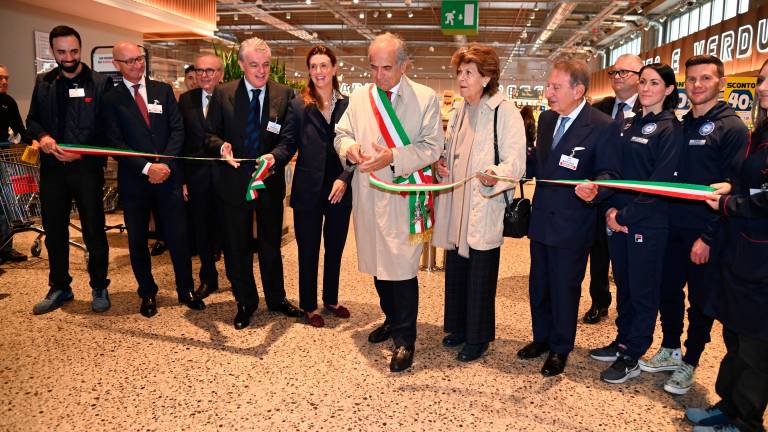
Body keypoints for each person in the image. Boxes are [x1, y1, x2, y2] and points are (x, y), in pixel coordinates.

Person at [334, 32, 442, 372]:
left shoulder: (425, 98)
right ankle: (391, 319)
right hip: (369, 194)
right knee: (379, 264)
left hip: (405, 195)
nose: (379, 76)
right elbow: (343, 133)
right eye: (373, 68)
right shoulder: (360, 97)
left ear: (404, 65)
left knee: (402, 268)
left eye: (386, 68)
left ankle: (405, 339)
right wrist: (349, 149)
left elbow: (431, 147)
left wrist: (392, 157)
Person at [644, 55, 748, 395]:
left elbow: (734, 187)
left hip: (705, 233)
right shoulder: (681, 123)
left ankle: (690, 360)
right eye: (691, 80)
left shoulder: (731, 128)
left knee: (700, 302)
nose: (697, 85)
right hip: (671, 226)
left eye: (705, 78)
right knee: (667, 290)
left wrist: (708, 237)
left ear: (720, 82)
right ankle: (671, 348)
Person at [578, 63, 683, 384]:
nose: (647, 88)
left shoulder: (670, 129)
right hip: (617, 220)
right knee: (623, 286)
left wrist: (625, 216)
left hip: (645, 224)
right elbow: (616, 171)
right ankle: (622, 339)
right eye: (643, 82)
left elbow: (660, 184)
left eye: (654, 83)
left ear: (668, 90)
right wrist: (608, 207)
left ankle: (633, 353)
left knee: (642, 290)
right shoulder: (629, 124)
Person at [516, 59, 617, 377]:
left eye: (555, 87)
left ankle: (561, 348)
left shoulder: (601, 125)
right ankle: (541, 338)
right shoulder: (546, 120)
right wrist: (508, 169)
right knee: (539, 286)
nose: (548, 92)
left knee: (564, 287)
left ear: (578, 90)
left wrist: (596, 191)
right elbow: (539, 165)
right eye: (548, 85)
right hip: (542, 219)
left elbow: (609, 173)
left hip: (574, 223)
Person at [685, 58, 768, 432]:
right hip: (743, 250)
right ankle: (728, 405)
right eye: (763, 80)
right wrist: (732, 188)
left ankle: (745, 420)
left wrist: (729, 203)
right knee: (734, 333)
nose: (762, 88)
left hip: (762, 257)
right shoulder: (761, 130)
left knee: (756, 345)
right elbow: (750, 181)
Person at [432, 43, 526, 362]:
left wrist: (495, 173)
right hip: (457, 205)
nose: (461, 78)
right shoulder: (460, 109)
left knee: (480, 275)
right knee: (457, 269)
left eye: (469, 73)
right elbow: (451, 150)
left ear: (486, 78)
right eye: (459, 72)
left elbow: (515, 162)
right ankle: (458, 328)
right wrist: (441, 163)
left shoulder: (504, 110)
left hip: (483, 205)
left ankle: (478, 337)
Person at [103, 41, 205, 318]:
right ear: (116, 65)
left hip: (169, 177)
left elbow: (177, 130)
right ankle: (147, 292)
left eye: (139, 59)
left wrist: (164, 164)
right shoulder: (111, 99)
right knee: (137, 240)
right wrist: (148, 168)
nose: (137, 65)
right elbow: (115, 144)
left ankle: (186, 289)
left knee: (178, 236)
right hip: (135, 182)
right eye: (130, 61)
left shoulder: (162, 91)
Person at [206, 37, 302, 330]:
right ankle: (245, 302)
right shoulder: (223, 94)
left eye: (265, 65)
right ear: (242, 65)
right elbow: (209, 134)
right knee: (237, 246)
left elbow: (289, 139)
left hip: (269, 182)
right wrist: (221, 147)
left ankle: (276, 299)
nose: (261, 71)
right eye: (254, 65)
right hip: (233, 184)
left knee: (271, 245)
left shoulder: (285, 95)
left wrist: (274, 158)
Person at [24, 26, 112, 314]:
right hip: (52, 171)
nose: (69, 57)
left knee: (93, 230)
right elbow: (32, 121)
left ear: (80, 49)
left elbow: (109, 131)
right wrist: (44, 138)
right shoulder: (44, 82)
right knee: (55, 231)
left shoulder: (100, 83)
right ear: (53, 51)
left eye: (74, 51)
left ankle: (99, 285)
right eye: (62, 52)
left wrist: (82, 152)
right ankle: (60, 286)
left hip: (86, 169)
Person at [266, 45, 352, 328]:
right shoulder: (299, 104)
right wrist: (273, 158)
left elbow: (355, 149)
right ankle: (308, 305)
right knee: (309, 248)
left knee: (336, 246)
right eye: (313, 66)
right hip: (307, 190)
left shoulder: (348, 104)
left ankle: (330, 298)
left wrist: (346, 177)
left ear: (334, 68)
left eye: (324, 65)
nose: (318, 72)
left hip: (340, 187)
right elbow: (288, 142)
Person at [584, 53, 644, 325]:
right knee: (598, 254)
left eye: (625, 72)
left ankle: (630, 312)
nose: (617, 77)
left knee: (629, 262)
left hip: (632, 199)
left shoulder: (651, 109)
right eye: (614, 72)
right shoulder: (599, 108)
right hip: (600, 194)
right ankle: (599, 302)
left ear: (640, 77)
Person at [178, 54, 223, 300]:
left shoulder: (231, 98)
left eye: (210, 70)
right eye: (200, 70)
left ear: (221, 74)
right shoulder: (186, 100)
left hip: (226, 175)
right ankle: (208, 278)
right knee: (202, 230)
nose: (204, 75)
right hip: (196, 177)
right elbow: (181, 140)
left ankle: (238, 279)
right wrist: (182, 178)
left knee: (230, 229)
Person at [0, 64, 29, 264]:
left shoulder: (8, 101)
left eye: (6, 78)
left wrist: (33, 142)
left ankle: (6, 247)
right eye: (1, 78)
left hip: (4, 157)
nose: (4, 82)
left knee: (7, 203)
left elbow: (19, 127)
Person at [519, 105, 537, 177]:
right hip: (528, 146)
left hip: (519, 145)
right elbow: (533, 136)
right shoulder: (531, 121)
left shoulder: (518, 120)